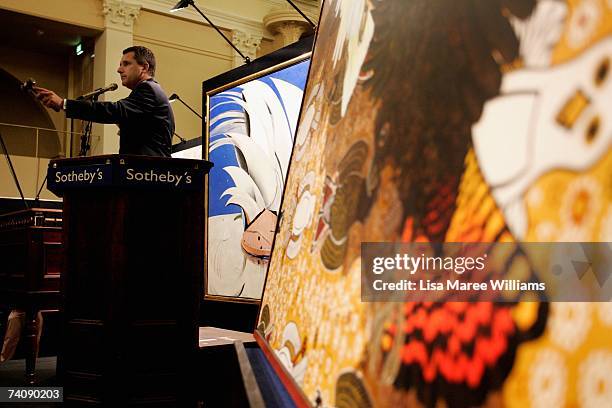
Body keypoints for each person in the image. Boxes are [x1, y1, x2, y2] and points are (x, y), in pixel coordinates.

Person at [35, 46, 174, 157]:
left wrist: (63, 103)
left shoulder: (148, 89)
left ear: (144, 67)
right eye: (120, 64)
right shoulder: (148, 91)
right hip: (144, 173)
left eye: (126, 64)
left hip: (149, 174)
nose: (119, 69)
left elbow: (113, 110)